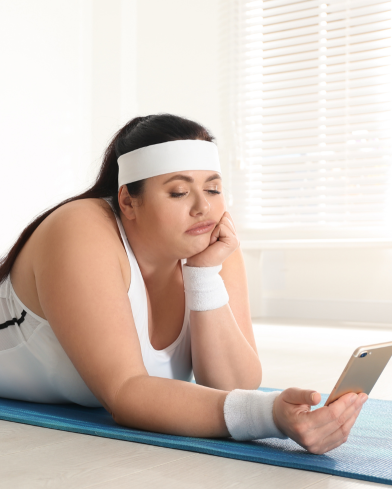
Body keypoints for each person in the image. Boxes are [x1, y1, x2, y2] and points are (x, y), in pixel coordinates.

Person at [0, 113, 367, 454]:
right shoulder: (81, 228)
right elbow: (126, 394)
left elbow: (233, 386)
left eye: (213, 189)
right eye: (178, 192)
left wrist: (204, 275)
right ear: (128, 200)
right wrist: (271, 416)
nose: (203, 208)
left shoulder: (212, 241)